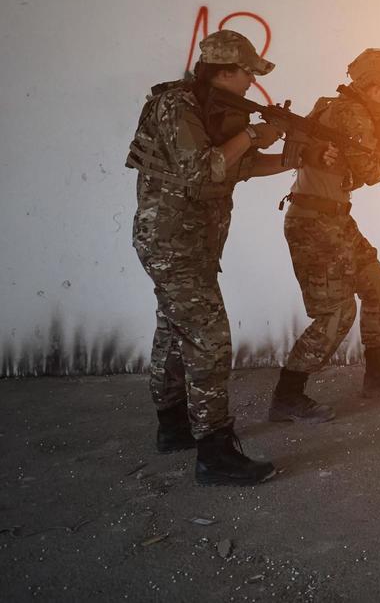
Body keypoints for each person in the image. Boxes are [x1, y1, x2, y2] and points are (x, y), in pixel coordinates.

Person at [127, 30, 301, 485]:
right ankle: (215, 454)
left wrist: (292, 157)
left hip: (191, 245)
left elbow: (233, 168)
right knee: (209, 340)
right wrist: (252, 134)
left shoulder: (208, 109)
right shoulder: (178, 106)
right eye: (247, 74)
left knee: (174, 331)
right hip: (173, 246)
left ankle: (173, 426)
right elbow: (203, 168)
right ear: (225, 71)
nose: (250, 84)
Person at [268, 49, 380, 424]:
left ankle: (379, 373)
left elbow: (375, 153)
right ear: (374, 86)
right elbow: (371, 169)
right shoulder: (350, 113)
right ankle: (288, 394)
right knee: (337, 312)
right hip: (316, 224)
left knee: (377, 286)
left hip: (332, 219)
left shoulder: (344, 110)